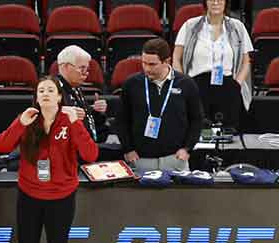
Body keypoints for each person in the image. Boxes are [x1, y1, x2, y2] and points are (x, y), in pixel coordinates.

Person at [0, 75, 98, 243]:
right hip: (30, 196)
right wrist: (19, 123)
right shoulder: (28, 118)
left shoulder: (68, 120)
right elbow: (1, 146)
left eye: (50, 90)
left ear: (60, 96)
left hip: (61, 198)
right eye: (41, 91)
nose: (45, 94)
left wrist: (76, 124)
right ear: (36, 96)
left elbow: (91, 155)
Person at [116, 38, 203, 176]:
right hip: (140, 159)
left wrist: (187, 149)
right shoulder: (131, 84)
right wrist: (128, 149)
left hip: (175, 159)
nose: (147, 68)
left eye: (152, 64)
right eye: (144, 63)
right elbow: (121, 120)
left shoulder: (186, 84)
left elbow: (196, 119)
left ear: (166, 61)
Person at [171, 0, 252, 132]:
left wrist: (237, 83)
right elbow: (176, 58)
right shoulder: (190, 26)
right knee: (199, 131)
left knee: (229, 132)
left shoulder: (238, 27)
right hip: (197, 85)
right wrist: (184, 82)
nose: (216, 2)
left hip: (228, 86)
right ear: (205, 2)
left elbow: (246, 61)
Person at [54, 44, 110, 143]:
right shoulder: (51, 88)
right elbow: (43, 117)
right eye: (82, 68)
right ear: (66, 66)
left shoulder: (75, 87)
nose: (85, 74)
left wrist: (95, 111)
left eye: (87, 69)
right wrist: (63, 114)